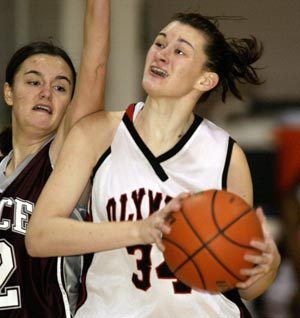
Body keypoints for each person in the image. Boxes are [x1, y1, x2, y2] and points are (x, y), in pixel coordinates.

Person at [26, 12, 281, 318]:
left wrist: (266, 267)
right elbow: (39, 236)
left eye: (180, 51)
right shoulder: (97, 133)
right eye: (160, 43)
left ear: (205, 79)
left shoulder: (226, 153)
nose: (162, 54)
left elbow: (243, 284)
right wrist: (141, 230)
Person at [0, 0, 109, 317]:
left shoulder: (65, 159)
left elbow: (95, 67)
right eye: (33, 82)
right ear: (9, 92)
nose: (46, 93)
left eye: (60, 88)